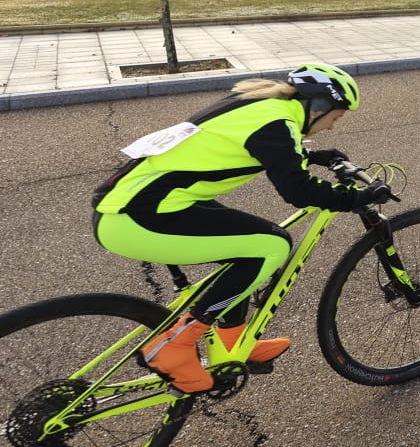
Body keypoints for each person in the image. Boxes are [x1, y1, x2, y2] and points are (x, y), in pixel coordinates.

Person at [92, 63, 392, 393]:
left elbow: (266, 149)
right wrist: (357, 196)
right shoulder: (277, 124)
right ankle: (174, 346)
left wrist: (317, 156)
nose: (333, 126)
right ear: (318, 106)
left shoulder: (259, 105)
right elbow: (298, 191)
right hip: (135, 218)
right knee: (271, 246)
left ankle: (233, 341)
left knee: (242, 250)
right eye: (335, 117)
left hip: (143, 202)